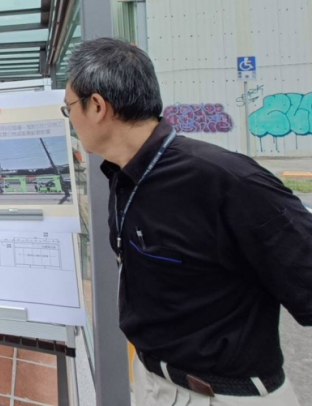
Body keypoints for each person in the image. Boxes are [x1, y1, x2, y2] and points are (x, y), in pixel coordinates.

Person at [63, 38, 310, 405]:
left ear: (97, 106)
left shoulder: (228, 180)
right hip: (153, 383)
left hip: (224, 394)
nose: (70, 120)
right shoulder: (123, 176)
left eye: (69, 109)